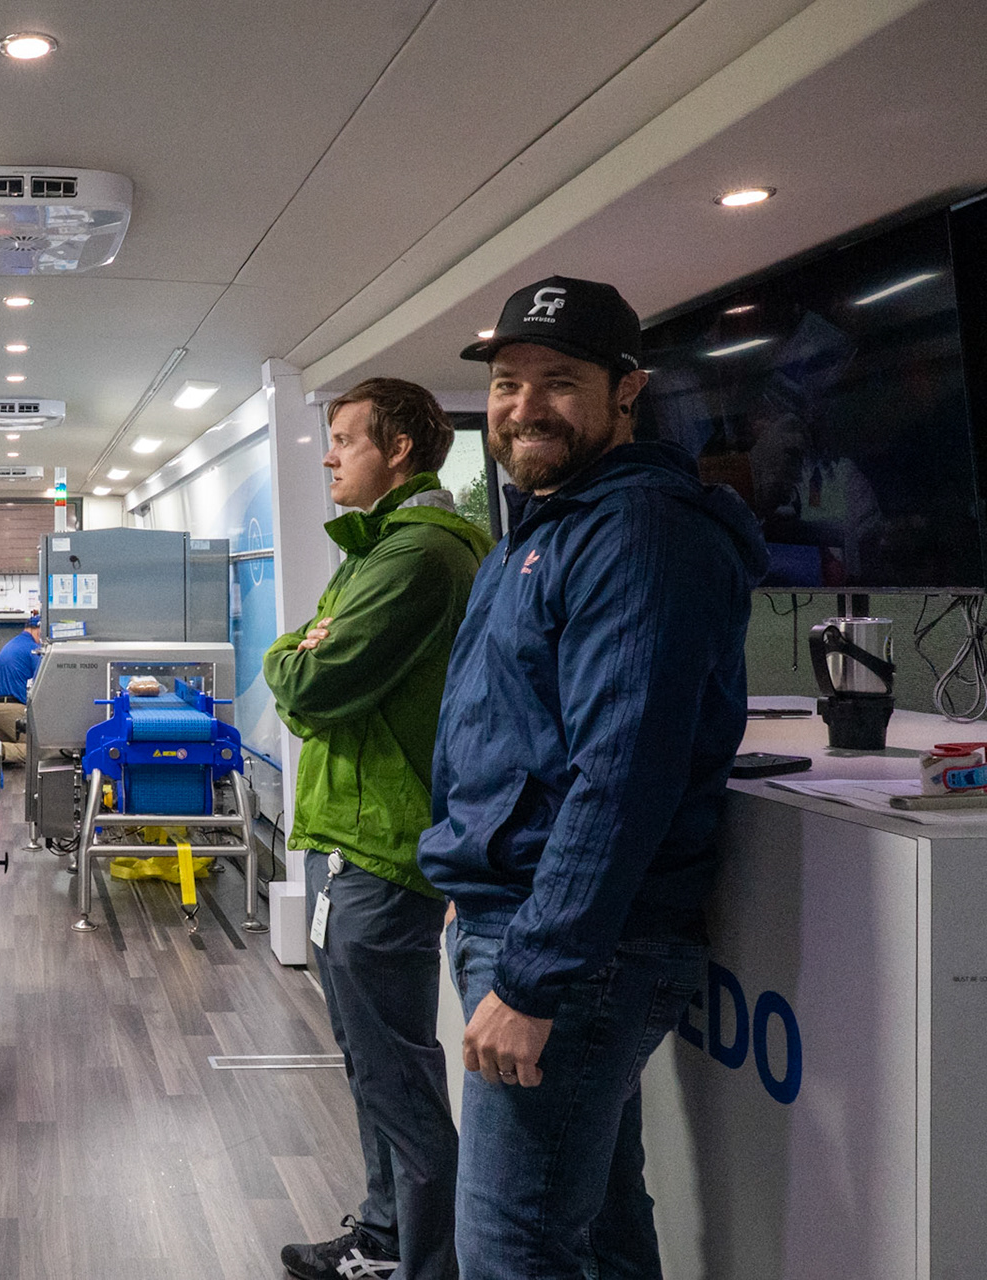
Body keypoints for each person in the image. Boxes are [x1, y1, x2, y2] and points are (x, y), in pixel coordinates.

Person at [417, 276, 768, 1279]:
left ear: (627, 391)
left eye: (559, 381)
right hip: (526, 922)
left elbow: (621, 774)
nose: (524, 406)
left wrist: (532, 970)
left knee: (513, 1252)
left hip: (575, 953)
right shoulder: (544, 525)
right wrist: (472, 881)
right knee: (601, 1229)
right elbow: (500, 727)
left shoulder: (638, 533)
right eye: (507, 383)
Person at [264, 378, 491, 1280]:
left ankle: (427, 1262)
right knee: (369, 1064)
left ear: (398, 450)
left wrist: (292, 656)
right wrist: (303, 655)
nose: (327, 456)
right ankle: (386, 1237)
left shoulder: (420, 556)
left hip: (386, 844)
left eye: (346, 439)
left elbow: (308, 678)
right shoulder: (377, 548)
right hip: (349, 836)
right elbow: (311, 663)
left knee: (396, 1075)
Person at [0, 613, 41, 763]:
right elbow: (43, 683)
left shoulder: (14, 643)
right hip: (10, 710)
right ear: (38, 629)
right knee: (40, 750)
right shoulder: (33, 649)